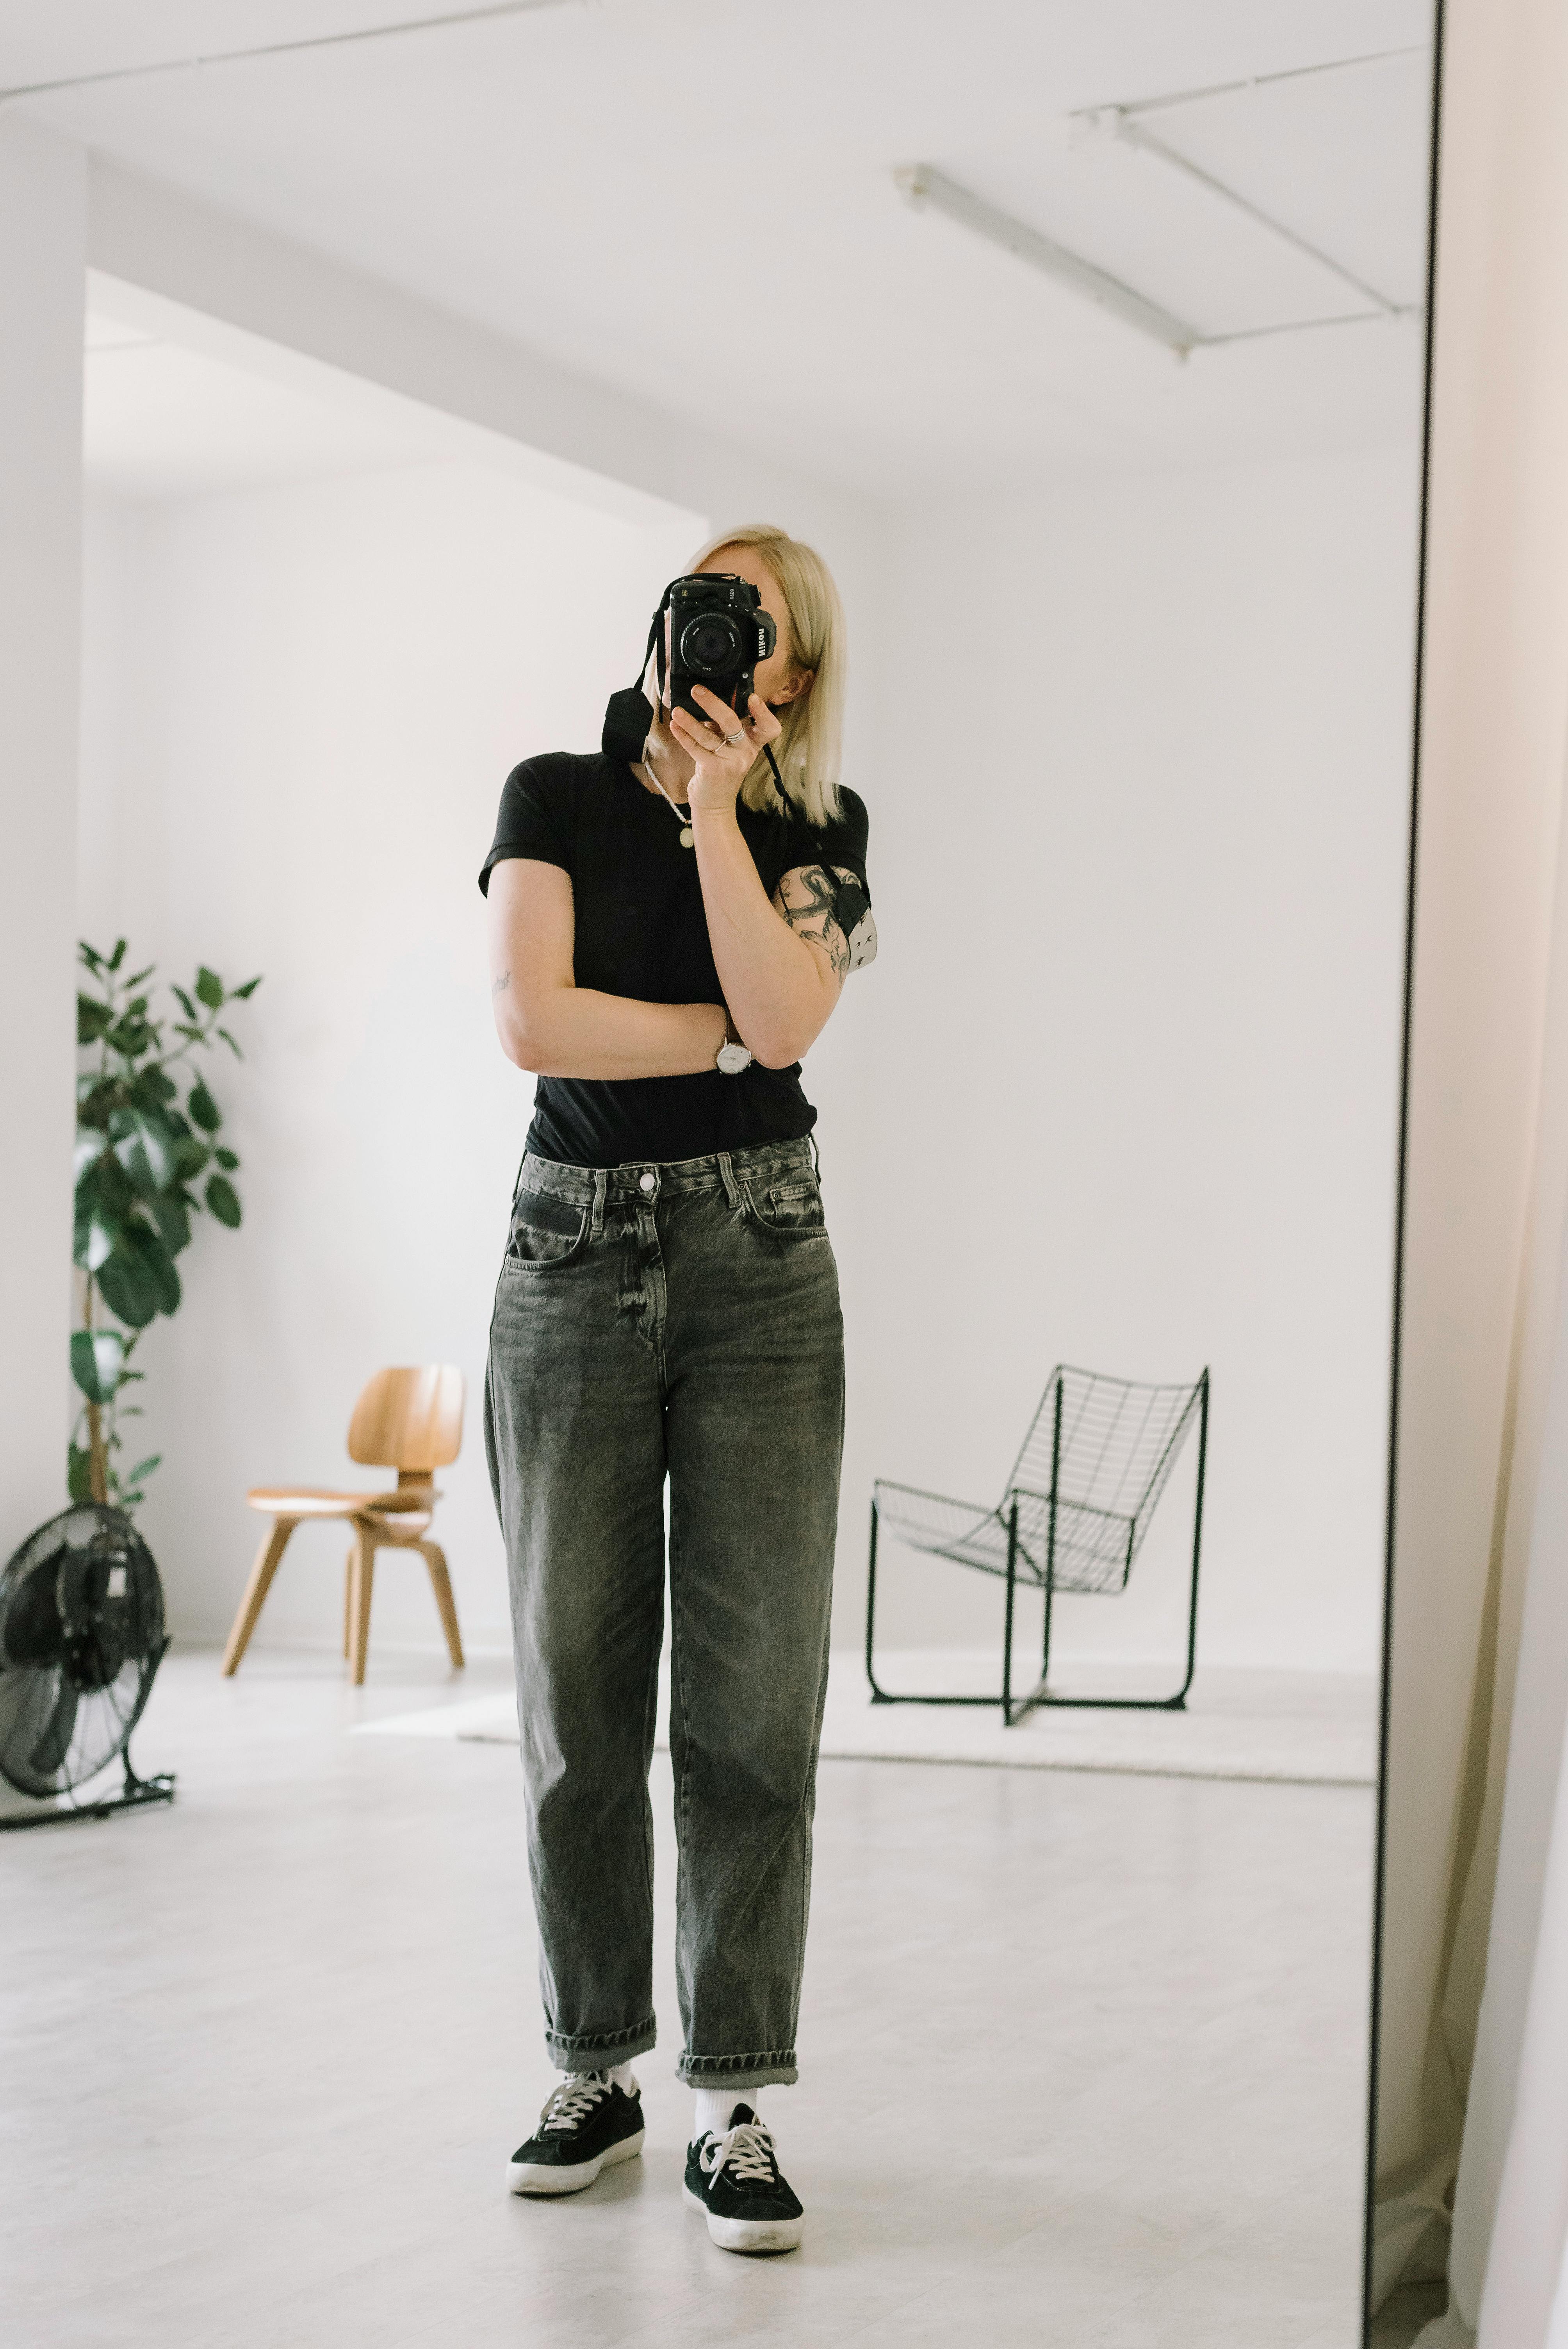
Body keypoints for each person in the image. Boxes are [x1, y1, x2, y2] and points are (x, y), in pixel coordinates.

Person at [480, 524, 874, 2256]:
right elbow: (532, 1024)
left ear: (787, 679)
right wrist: (707, 1032)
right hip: (567, 1256)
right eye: (699, 598)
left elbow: (785, 1023)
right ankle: (589, 2062)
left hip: (759, 1266)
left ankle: (734, 2102)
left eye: (756, 627)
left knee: (750, 1706)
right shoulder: (548, 792)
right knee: (576, 1688)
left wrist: (718, 810)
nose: (716, 634)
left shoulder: (820, 834)